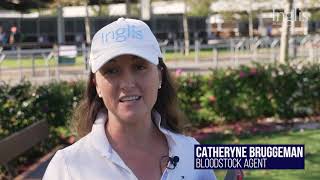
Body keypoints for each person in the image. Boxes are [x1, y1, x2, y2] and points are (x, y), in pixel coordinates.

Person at [43, 17, 216, 180]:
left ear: (160, 76)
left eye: (139, 67)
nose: (127, 83)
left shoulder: (191, 152)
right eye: (112, 70)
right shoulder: (67, 167)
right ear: (96, 85)